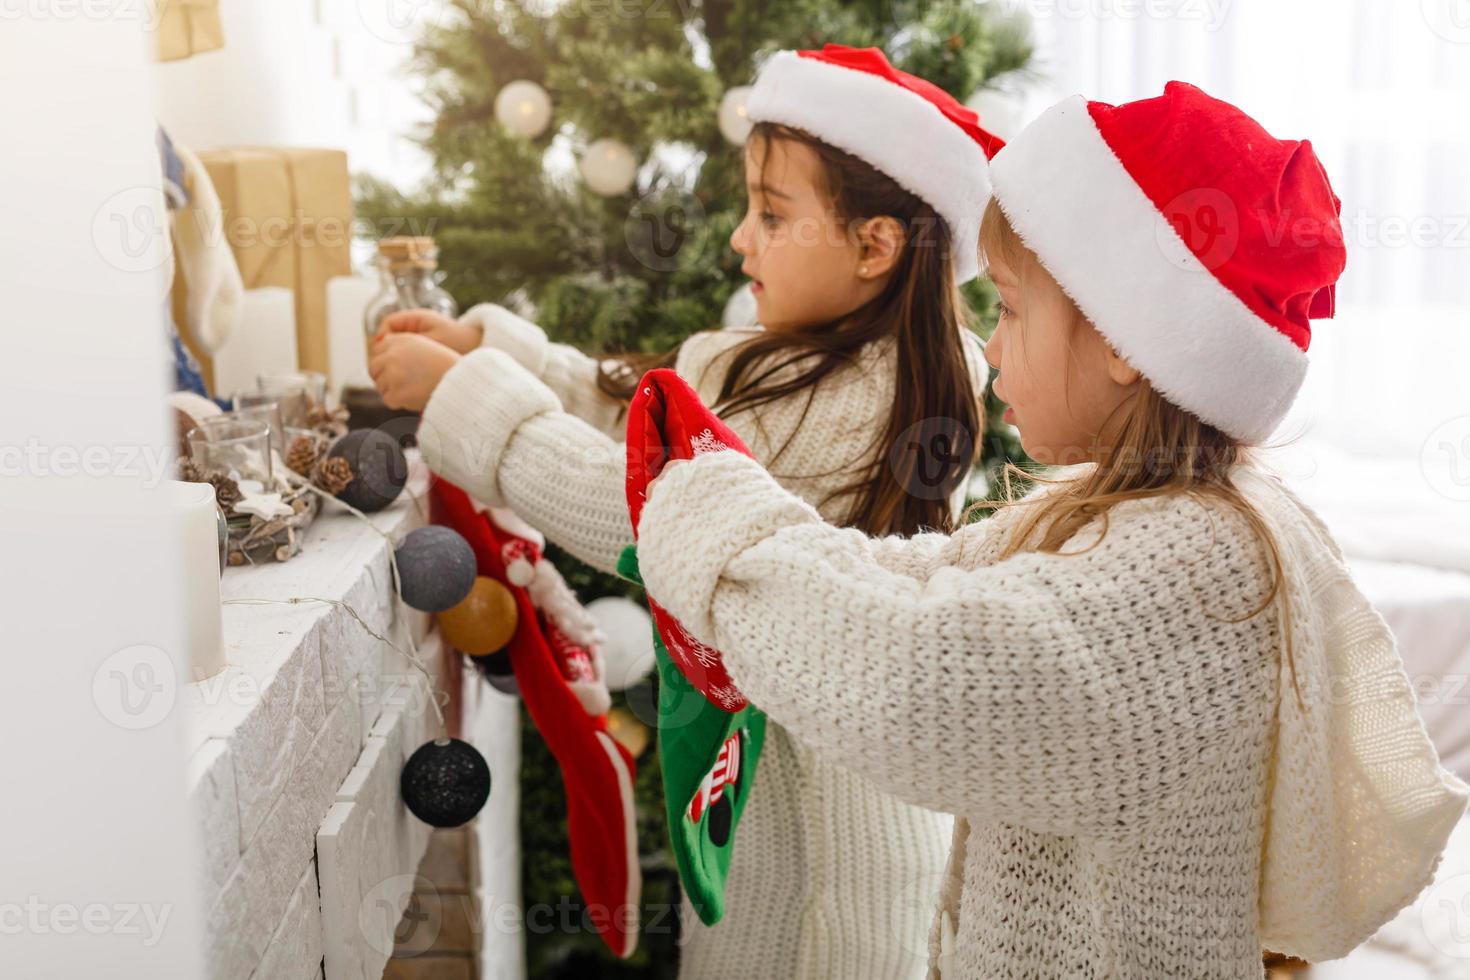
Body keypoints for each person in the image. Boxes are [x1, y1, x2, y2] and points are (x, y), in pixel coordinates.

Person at [632, 82, 1469, 978]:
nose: (989, 345)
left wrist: (704, 509)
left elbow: (917, 682)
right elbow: (912, 577)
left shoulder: (1197, 565)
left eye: (1014, 308)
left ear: (1122, 340)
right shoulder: (1099, 513)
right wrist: (727, 509)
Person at [368, 45, 1003, 979]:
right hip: (767, 844)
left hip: (823, 891)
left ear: (875, 246)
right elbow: (658, 437)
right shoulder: (832, 360)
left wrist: (471, 398)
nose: (740, 239)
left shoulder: (865, 402)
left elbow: (655, 515)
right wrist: (495, 349)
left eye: (772, 214)